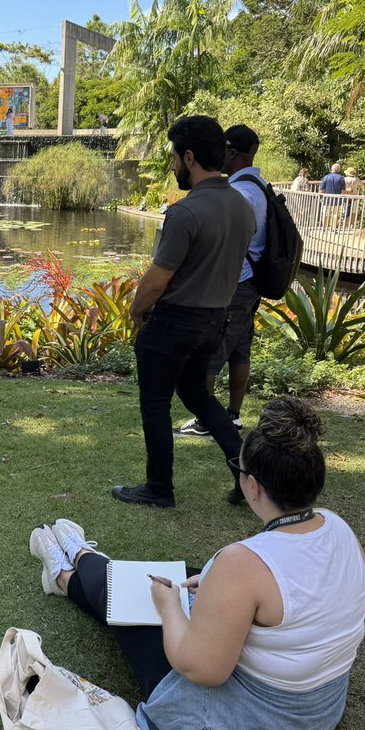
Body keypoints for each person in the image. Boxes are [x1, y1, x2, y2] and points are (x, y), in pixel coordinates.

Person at [30, 397, 365, 730]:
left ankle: (70, 572)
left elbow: (204, 671)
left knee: (136, 600)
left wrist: (169, 608)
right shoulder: (338, 527)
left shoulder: (242, 563)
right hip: (319, 710)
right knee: (185, 577)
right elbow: (305, 590)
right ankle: (82, 562)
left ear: (252, 485)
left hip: (250, 728)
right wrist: (213, 586)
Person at [115, 115, 255, 508]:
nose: (174, 165)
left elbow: (157, 280)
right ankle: (247, 477)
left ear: (189, 157)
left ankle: (159, 488)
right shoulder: (242, 207)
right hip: (215, 320)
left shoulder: (186, 212)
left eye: (175, 158)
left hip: (175, 321)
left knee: (155, 403)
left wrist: (136, 311)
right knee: (198, 395)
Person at [177, 125, 266, 440]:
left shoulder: (239, 193)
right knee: (240, 351)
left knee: (212, 352)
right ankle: (232, 415)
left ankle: (206, 420)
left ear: (231, 152)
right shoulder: (260, 186)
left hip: (235, 283)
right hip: (253, 282)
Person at [320, 163, 347, 227]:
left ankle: (324, 228)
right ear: (339, 170)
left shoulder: (326, 177)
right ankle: (334, 228)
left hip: (327, 200)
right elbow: (343, 191)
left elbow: (321, 190)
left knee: (325, 214)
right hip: (337, 201)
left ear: (331, 169)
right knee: (336, 215)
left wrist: (321, 197)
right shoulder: (341, 178)